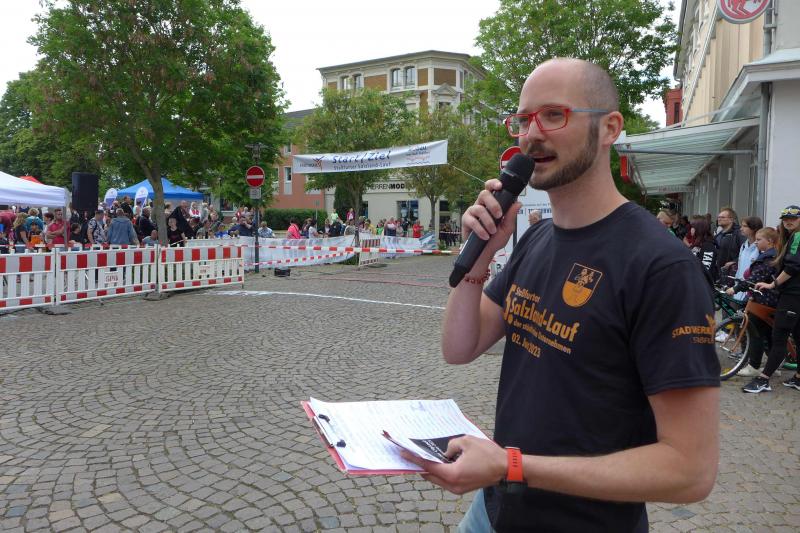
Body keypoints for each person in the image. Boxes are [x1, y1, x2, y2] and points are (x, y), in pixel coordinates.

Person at [401, 58, 719, 532]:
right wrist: (481, 259)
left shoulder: (661, 267)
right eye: (523, 119)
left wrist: (512, 465)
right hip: (494, 511)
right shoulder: (537, 239)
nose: (531, 134)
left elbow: (690, 470)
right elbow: (459, 347)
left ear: (609, 127)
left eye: (554, 115)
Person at [745, 205, 800, 393]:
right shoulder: (791, 237)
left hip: (793, 294)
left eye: (793, 218)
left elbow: (793, 267)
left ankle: (764, 379)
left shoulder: (797, 236)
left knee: (779, 336)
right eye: (785, 219)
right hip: (794, 294)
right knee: (798, 336)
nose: (788, 222)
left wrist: (773, 284)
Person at [726, 227, 779, 377]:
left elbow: (754, 279)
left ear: (769, 241)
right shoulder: (771, 255)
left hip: (763, 300)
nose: (755, 243)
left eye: (759, 240)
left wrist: (735, 289)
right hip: (768, 299)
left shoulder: (767, 258)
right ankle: (773, 366)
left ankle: (754, 366)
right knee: (767, 334)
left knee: (755, 333)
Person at [730, 216, 763, 298]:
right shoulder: (744, 246)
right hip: (738, 289)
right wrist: (735, 285)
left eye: (745, 226)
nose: (741, 229)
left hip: (751, 291)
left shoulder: (761, 248)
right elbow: (739, 268)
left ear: (754, 228)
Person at [685, 216, 719, 284]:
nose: (690, 229)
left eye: (692, 227)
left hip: (701, 284)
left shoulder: (708, 245)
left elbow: (705, 270)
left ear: (699, 228)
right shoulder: (698, 242)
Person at [714, 207, 744, 278]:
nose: (719, 219)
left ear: (731, 219)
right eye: (718, 217)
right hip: (719, 271)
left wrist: (735, 261)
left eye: (722, 217)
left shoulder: (739, 233)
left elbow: (745, 251)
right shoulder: (718, 235)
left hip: (732, 272)